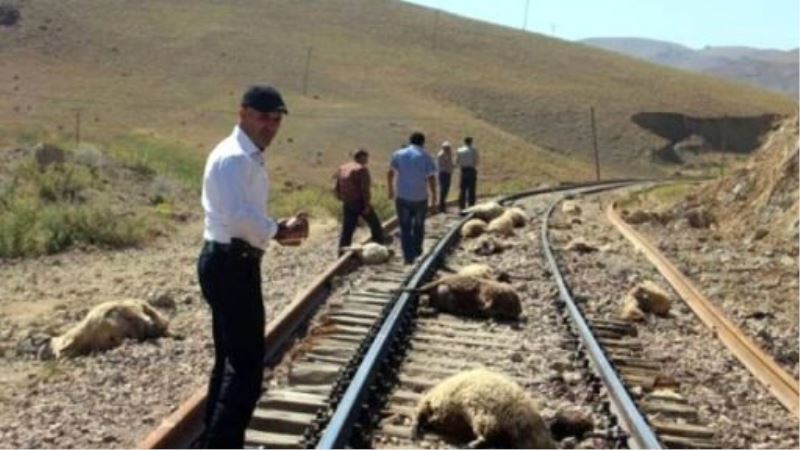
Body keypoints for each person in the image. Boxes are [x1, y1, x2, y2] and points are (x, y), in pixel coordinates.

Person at [197, 84, 309, 448]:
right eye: (264, 117)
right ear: (243, 113)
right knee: (246, 368)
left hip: (233, 262)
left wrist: (276, 229)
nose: (271, 126)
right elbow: (236, 217)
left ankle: (215, 439)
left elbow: (244, 216)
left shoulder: (247, 156)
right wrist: (278, 230)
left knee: (230, 360)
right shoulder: (234, 157)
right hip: (230, 264)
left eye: (276, 120)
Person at [387, 132, 437, 264]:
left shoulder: (398, 154)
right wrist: (434, 197)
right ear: (422, 142)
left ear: (410, 141)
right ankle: (417, 251)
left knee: (405, 226)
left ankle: (408, 257)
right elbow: (431, 177)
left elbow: (390, 173)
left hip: (403, 196)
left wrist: (391, 190)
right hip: (420, 197)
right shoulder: (426, 156)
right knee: (419, 225)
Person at [333, 148, 385, 253]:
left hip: (347, 202)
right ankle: (379, 245)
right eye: (366, 158)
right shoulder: (362, 169)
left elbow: (336, 186)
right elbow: (365, 189)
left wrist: (341, 197)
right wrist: (367, 205)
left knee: (347, 229)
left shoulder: (342, 168)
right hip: (359, 202)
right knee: (375, 224)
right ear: (362, 157)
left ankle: (342, 251)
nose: (367, 160)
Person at [456, 136, 479, 210]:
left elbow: (457, 161)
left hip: (463, 170)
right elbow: (476, 161)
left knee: (463, 189)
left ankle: (461, 206)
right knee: (471, 189)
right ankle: (471, 206)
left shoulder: (459, 150)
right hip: (471, 170)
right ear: (471, 142)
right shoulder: (474, 150)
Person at [436, 141, 454, 213]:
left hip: (447, 173)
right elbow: (446, 163)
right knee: (443, 190)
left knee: (446, 189)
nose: (449, 149)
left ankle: (443, 205)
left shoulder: (447, 154)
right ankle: (441, 206)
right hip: (444, 173)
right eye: (448, 148)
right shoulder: (442, 155)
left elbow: (450, 163)